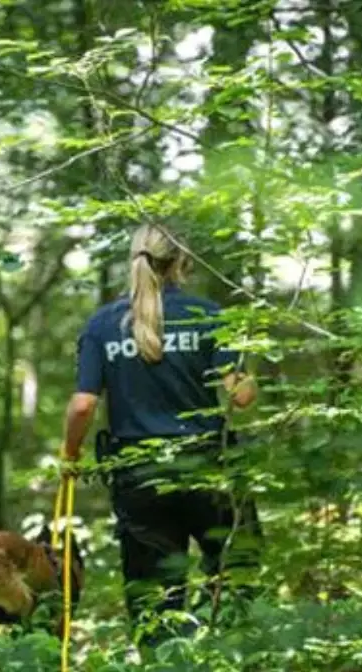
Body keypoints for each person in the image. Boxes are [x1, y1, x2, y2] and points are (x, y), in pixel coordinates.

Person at [60, 223, 263, 650]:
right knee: (232, 576)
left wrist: (70, 455)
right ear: (182, 261)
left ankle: (165, 664)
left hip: (139, 476)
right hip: (209, 468)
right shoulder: (208, 315)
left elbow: (82, 405)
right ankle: (231, 658)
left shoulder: (102, 325)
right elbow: (241, 397)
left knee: (155, 596)